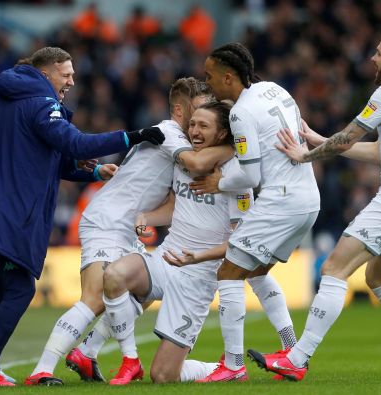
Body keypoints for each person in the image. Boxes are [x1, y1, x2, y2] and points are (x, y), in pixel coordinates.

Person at [0, 46, 164, 387]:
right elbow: (73, 143)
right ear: (46, 73)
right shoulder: (41, 102)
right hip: (4, 211)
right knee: (19, 288)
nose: (72, 80)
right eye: (66, 73)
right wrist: (132, 136)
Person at [250, 28, 381, 381]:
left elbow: (347, 138)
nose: (373, 57)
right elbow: (378, 150)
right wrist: (321, 140)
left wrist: (306, 154)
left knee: (334, 268)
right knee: (379, 277)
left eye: (379, 52)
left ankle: (297, 358)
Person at [24, 77, 232, 386]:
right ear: (180, 110)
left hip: (124, 224)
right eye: (199, 109)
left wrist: (146, 215)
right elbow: (196, 164)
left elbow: (175, 199)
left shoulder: (180, 139)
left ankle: (88, 352)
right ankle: (42, 369)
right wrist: (236, 145)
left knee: (138, 292)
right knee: (95, 299)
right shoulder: (169, 133)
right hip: (108, 221)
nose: (202, 120)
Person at [188, 42, 320, 382]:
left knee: (229, 273)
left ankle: (233, 365)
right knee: (257, 272)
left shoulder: (239, 111)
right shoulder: (275, 89)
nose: (208, 84)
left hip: (282, 200)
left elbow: (250, 174)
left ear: (229, 77)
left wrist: (220, 181)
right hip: (307, 198)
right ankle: (291, 350)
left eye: (210, 76)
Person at [101, 100, 254, 385]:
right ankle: (129, 359)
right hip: (166, 257)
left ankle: (222, 369)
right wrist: (146, 215)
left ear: (222, 134)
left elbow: (240, 242)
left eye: (203, 126)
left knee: (162, 376)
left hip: (199, 275)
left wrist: (197, 257)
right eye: (193, 124)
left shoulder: (236, 177)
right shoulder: (183, 160)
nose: (194, 131)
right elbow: (174, 205)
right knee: (113, 275)